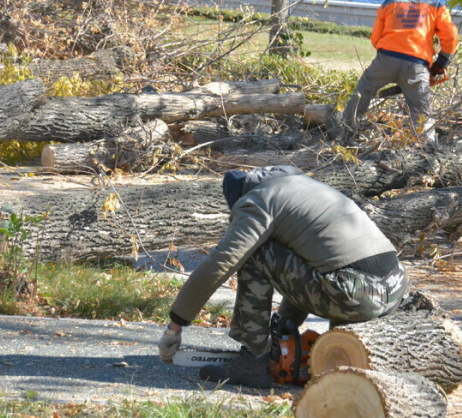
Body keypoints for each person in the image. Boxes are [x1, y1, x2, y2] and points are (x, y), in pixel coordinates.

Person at [157, 166, 409, 388]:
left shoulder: (257, 201)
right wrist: (284, 323)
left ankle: (252, 363)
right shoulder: (304, 187)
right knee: (304, 257)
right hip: (395, 288)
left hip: (352, 295)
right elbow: (305, 264)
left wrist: (175, 325)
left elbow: (220, 263)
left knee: (253, 253)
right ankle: (336, 346)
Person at [330, 0, 459, 145]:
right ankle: (428, 151)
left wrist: (388, 53)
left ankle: (344, 136)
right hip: (417, 65)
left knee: (363, 91)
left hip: (386, 60)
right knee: (421, 112)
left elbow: (376, 38)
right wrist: (441, 62)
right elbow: (451, 37)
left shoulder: (390, 3)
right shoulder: (436, 6)